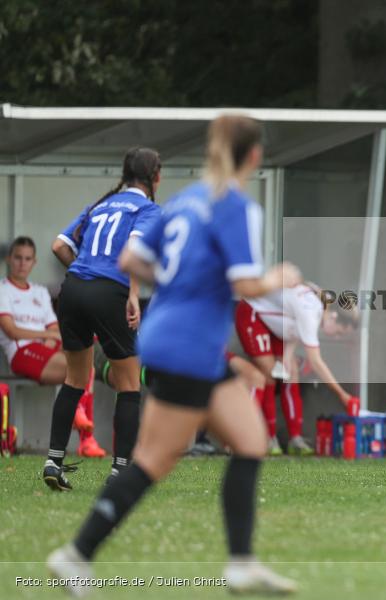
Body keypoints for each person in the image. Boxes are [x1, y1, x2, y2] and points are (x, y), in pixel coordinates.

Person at [47, 114, 298, 595]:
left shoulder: (185, 202)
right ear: (255, 156)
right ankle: (77, 554)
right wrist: (281, 277)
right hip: (190, 345)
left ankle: (241, 562)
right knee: (154, 461)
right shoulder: (237, 206)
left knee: (249, 439)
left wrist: (179, 286)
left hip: (169, 337)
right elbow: (246, 283)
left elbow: (132, 261)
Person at [43, 148, 162, 490]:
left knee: (75, 379)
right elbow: (133, 253)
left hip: (74, 287)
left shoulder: (100, 204)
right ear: (155, 177)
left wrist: (85, 274)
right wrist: (132, 295)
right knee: (129, 384)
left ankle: (53, 461)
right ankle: (121, 470)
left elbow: (58, 246)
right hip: (110, 292)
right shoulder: (147, 209)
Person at [0, 237, 106, 458]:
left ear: (34, 262)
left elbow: (55, 327)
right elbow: (12, 331)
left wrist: (51, 336)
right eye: (18, 258)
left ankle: (87, 440)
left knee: (88, 364)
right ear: (9, 260)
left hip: (47, 350)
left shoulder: (39, 291)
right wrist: (47, 334)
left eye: (27, 259)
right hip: (21, 353)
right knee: (81, 370)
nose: (22, 263)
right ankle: (83, 429)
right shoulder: (3, 290)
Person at [236, 280, 360, 455]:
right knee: (269, 375)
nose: (337, 337)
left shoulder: (320, 303)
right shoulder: (312, 311)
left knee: (291, 372)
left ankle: (295, 439)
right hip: (253, 313)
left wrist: (287, 357)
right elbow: (316, 362)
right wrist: (342, 394)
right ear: (333, 317)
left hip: (276, 326)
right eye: (339, 332)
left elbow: (292, 321)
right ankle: (267, 438)